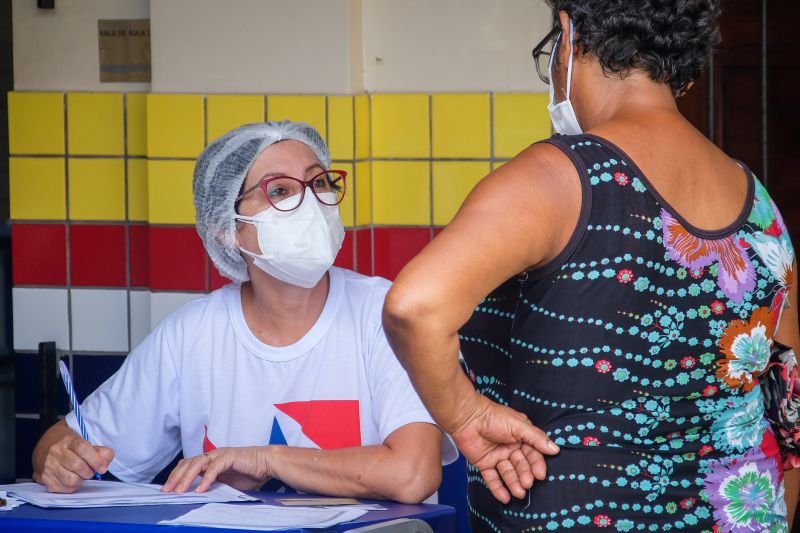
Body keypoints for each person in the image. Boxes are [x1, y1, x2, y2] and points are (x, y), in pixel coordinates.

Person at [382, 0, 800, 530]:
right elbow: (789, 404)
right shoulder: (760, 204)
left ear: (567, 33)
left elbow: (415, 307)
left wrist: (466, 415)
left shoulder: (559, 178)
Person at [32, 121, 456, 503]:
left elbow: (413, 474)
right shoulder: (192, 335)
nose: (311, 203)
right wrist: (57, 459)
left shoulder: (385, 315)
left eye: (319, 183)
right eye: (279, 191)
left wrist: (266, 459)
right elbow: (64, 441)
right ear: (227, 228)